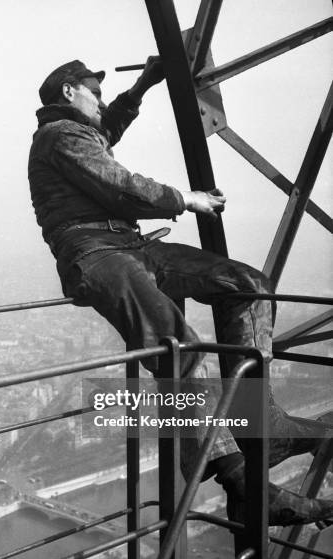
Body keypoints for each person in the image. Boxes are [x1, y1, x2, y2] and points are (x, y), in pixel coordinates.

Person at [28, 57, 332, 526]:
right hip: (95, 252)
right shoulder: (58, 136)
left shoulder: (78, 132)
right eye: (96, 92)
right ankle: (239, 481)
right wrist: (185, 200)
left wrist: (145, 83)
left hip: (129, 246)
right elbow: (118, 185)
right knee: (178, 347)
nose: (103, 101)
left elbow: (108, 127)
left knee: (247, 285)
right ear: (69, 91)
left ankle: (259, 422)